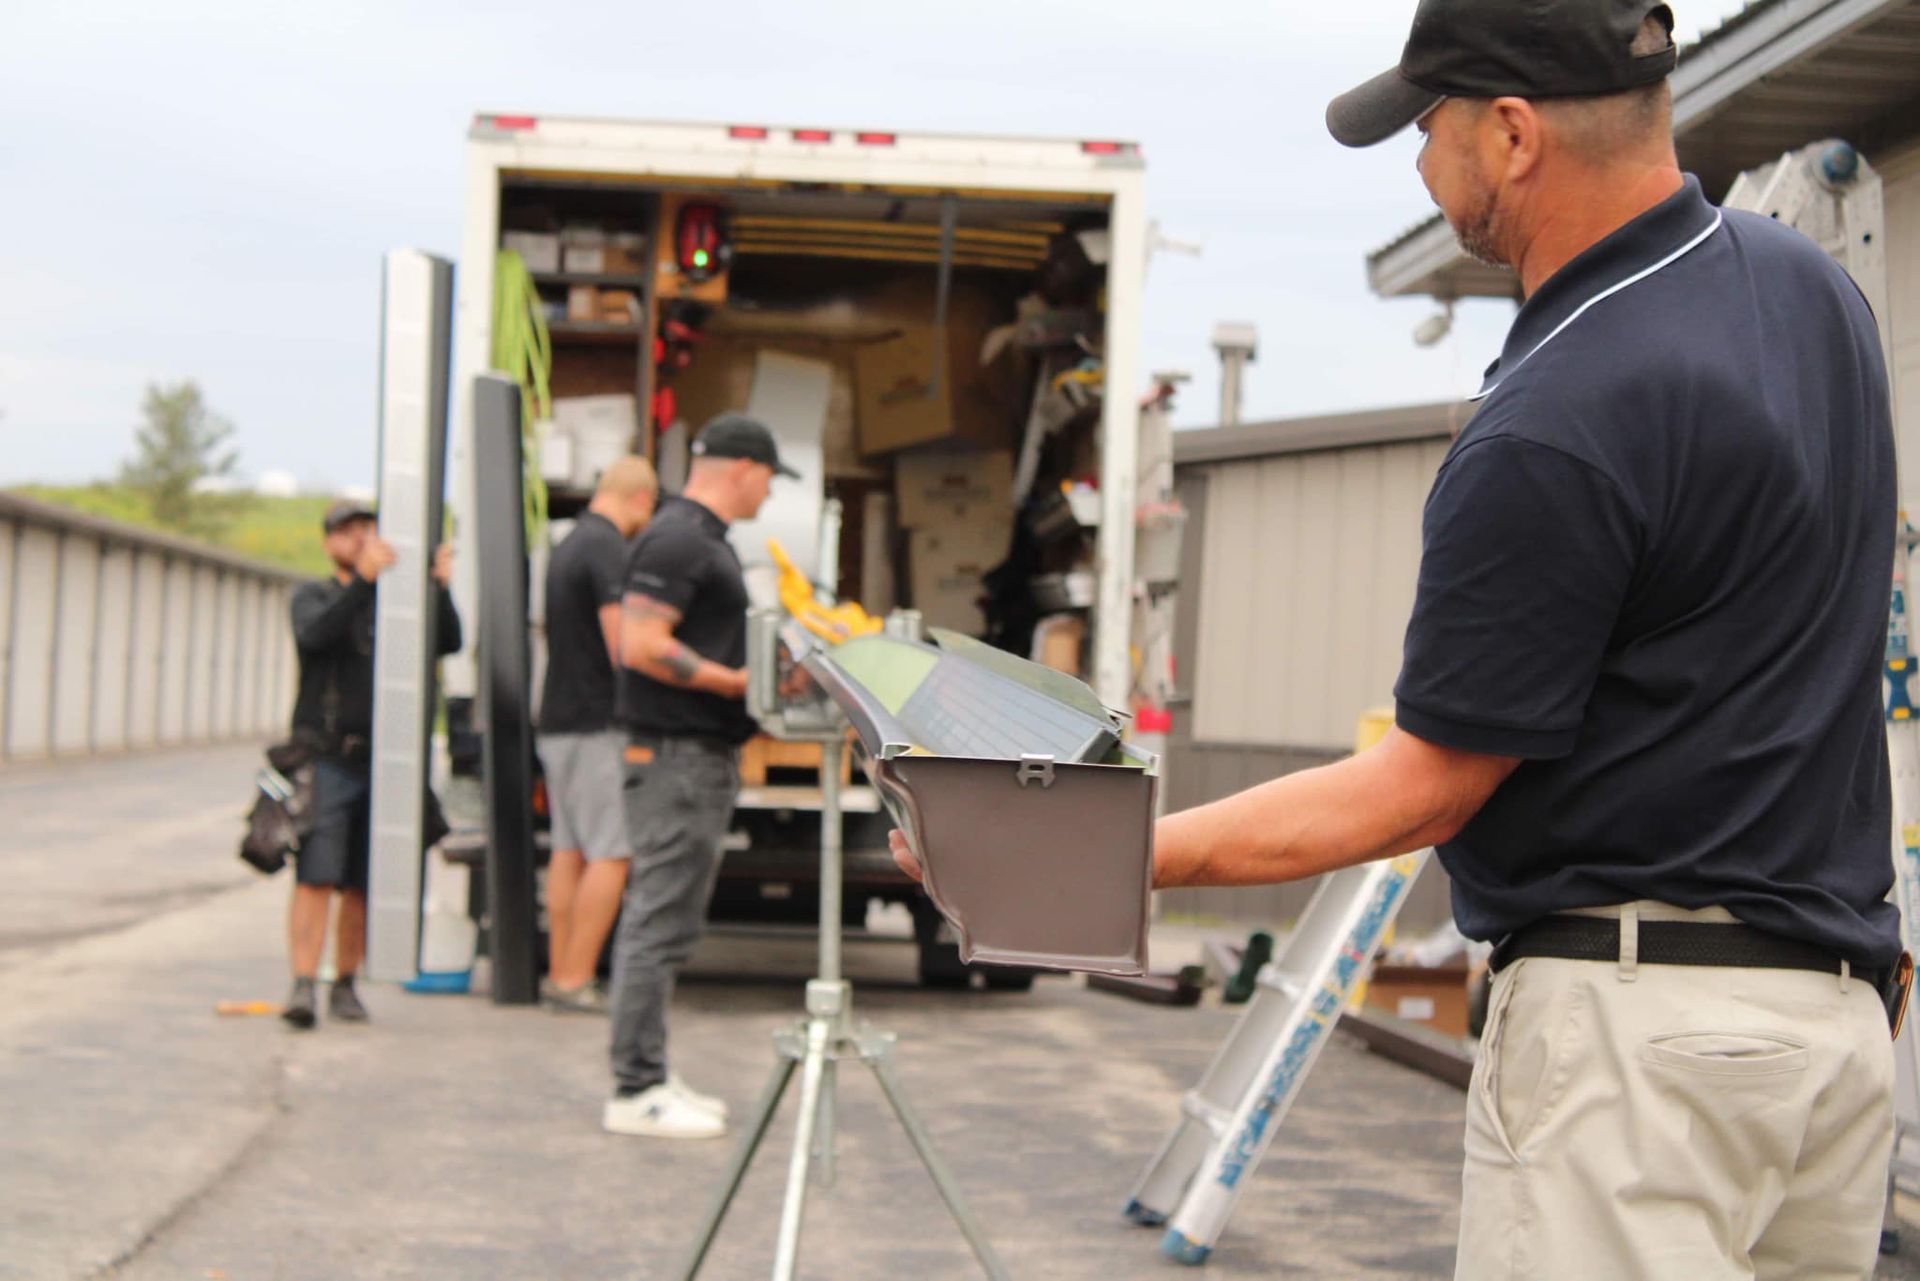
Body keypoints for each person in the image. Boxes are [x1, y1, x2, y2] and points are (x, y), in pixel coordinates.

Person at [898, 2, 1904, 1274]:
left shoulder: (1559, 415)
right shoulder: (1812, 295)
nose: (1421, 166)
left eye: (1427, 129)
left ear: (1514, 133)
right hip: (1834, 1032)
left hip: (1640, 1059)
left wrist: (1092, 853)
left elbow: (1423, 788)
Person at [603, 413, 797, 1139]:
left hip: (690, 756)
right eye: (770, 476)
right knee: (657, 921)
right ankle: (635, 1088)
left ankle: (649, 1071)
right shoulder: (682, 537)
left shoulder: (696, 538)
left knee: (669, 920)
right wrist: (737, 681)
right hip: (676, 755)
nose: (770, 492)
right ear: (743, 466)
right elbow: (641, 642)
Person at [284, 498, 462, 1029]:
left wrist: (439, 587)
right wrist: (363, 581)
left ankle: (345, 982)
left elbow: (447, 641)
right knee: (316, 875)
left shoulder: (396, 603)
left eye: (367, 528)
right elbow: (315, 636)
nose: (359, 537)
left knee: (362, 880)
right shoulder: (313, 596)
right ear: (328, 542)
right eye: (347, 531)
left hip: (384, 763)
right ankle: (301, 983)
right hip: (328, 759)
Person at [536, 456, 659, 1013]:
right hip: (595, 725)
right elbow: (623, 647)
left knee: (569, 850)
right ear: (639, 498)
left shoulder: (567, 545)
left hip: (558, 721)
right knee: (612, 853)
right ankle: (575, 979)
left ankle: (561, 970)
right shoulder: (608, 548)